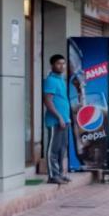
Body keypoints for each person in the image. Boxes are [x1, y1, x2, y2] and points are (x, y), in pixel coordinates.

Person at [42, 55, 72, 185]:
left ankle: (59, 173)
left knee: (62, 149)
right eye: (59, 64)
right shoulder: (51, 80)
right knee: (53, 149)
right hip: (55, 121)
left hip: (65, 120)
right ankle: (52, 176)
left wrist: (66, 118)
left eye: (63, 64)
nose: (62, 66)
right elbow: (48, 101)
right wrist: (59, 117)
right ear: (52, 65)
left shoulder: (61, 80)